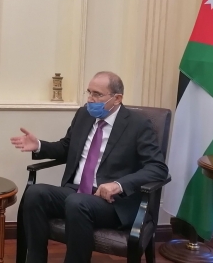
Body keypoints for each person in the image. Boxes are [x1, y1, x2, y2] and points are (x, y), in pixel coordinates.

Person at [10, 71, 168, 263]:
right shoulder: (84, 114)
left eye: (97, 94)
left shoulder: (138, 124)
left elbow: (158, 168)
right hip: (75, 192)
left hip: (111, 202)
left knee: (77, 203)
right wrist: (40, 146)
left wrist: (118, 185)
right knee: (35, 193)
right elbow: (67, 147)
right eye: (89, 92)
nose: (90, 99)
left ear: (117, 98)